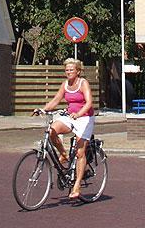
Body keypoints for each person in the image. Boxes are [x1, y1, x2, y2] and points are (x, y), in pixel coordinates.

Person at [34, 58, 95, 199]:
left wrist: (79, 113)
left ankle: (77, 185)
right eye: (67, 69)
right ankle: (64, 154)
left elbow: (89, 102)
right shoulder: (65, 85)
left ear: (78, 71)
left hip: (85, 118)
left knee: (80, 152)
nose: (68, 72)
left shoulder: (83, 83)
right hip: (70, 116)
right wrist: (43, 109)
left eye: (71, 69)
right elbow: (56, 100)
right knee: (51, 130)